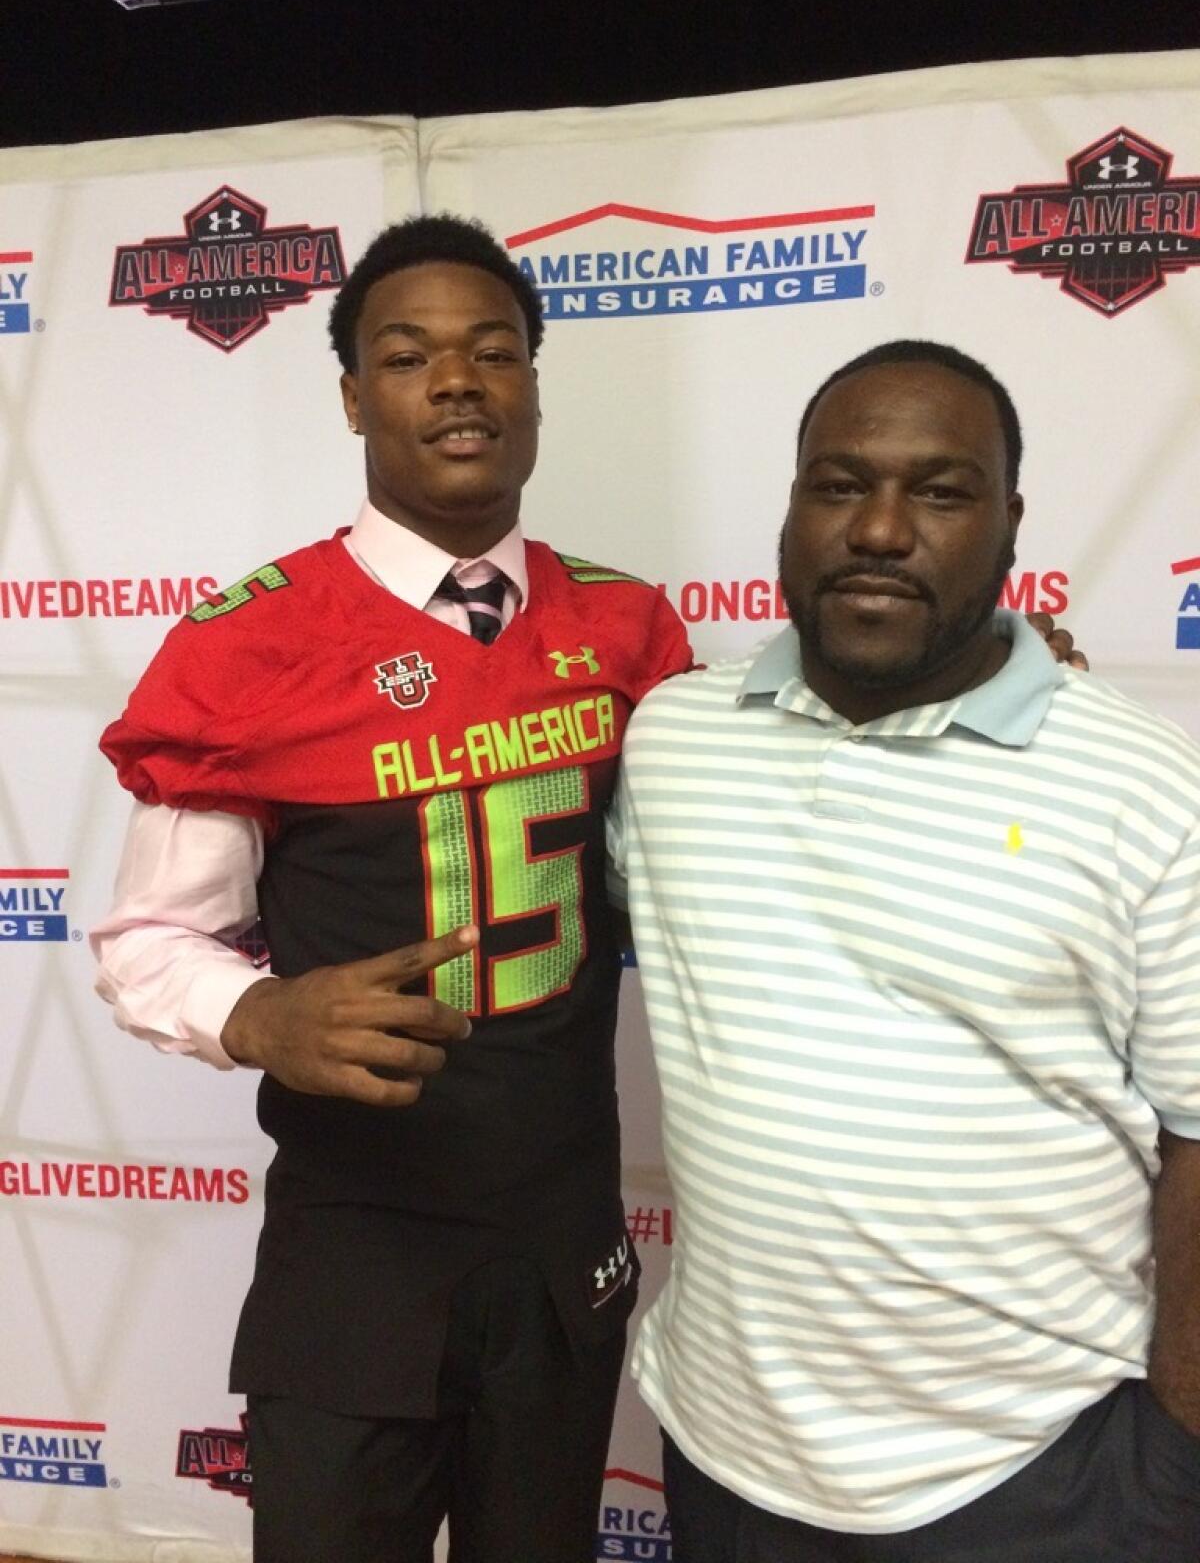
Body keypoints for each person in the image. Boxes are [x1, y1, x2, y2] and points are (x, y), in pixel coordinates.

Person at [92, 214, 693, 1563]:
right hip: (358, 1248)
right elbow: (147, 940)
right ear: (357, 395)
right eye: (411, 355)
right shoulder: (251, 642)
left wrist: (982, 669)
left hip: (560, 1234)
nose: (460, 381)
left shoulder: (628, 627)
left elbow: (757, 810)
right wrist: (264, 1020)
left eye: (494, 352)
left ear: (535, 383)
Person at [611, 340, 1200, 1562]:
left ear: (1010, 522)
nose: (880, 529)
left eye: (940, 491)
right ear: (790, 508)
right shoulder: (674, 742)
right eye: (838, 484)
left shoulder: (1147, 786)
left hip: (1038, 1477)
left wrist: (1176, 1455)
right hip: (725, 1458)